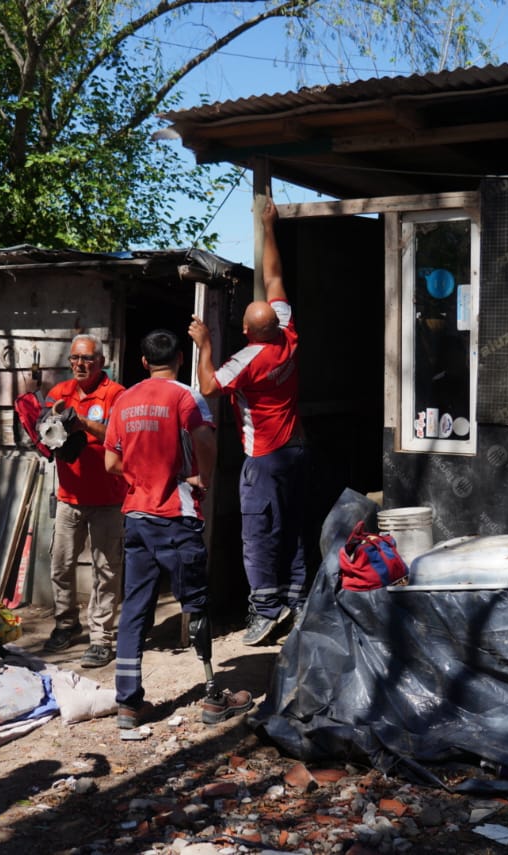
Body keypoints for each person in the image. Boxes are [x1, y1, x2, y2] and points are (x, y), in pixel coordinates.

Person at [103, 329, 253, 729]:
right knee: (196, 604)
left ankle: (128, 704)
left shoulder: (124, 400)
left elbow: (110, 464)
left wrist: (139, 479)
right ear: (180, 361)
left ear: (143, 361)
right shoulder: (186, 396)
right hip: (177, 517)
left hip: (136, 517)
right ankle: (211, 697)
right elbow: (204, 439)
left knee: (135, 608)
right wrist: (201, 477)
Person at [188, 196, 306, 646]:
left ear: (250, 333)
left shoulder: (248, 360)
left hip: (264, 457)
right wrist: (269, 226)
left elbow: (209, 388)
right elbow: (274, 276)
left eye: (242, 325)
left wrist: (203, 345)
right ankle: (295, 599)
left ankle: (266, 610)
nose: (240, 327)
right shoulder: (287, 335)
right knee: (291, 525)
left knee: (257, 533)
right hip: (295, 449)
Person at [42, 333, 127, 668]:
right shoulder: (59, 393)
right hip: (68, 497)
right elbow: (47, 433)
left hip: (107, 499)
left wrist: (83, 425)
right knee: (60, 566)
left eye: (87, 359)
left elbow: (117, 437)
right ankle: (66, 624)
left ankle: (101, 638)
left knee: (106, 571)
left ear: (101, 362)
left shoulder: (116, 394)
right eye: (75, 359)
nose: (80, 364)